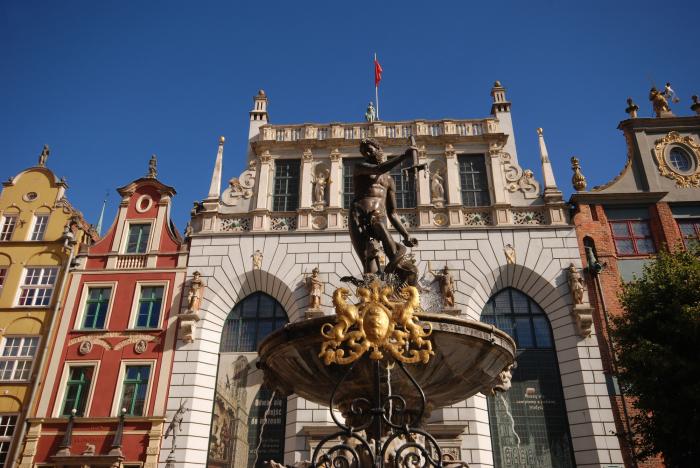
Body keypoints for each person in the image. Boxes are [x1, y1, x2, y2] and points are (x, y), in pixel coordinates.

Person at [348, 138, 419, 285]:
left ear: (378, 149)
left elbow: (392, 213)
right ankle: (375, 289)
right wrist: (404, 156)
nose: (367, 153)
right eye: (364, 152)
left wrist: (406, 234)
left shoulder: (389, 181)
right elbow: (379, 169)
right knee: (369, 265)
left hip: (378, 217)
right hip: (359, 216)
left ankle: (400, 281)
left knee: (380, 226)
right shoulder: (360, 167)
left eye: (369, 149)